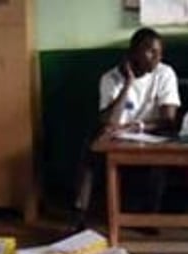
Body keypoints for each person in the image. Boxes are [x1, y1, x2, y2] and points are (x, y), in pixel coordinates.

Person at [72, 28, 181, 230]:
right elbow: (108, 122)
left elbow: (168, 119)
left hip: (151, 135)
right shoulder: (110, 78)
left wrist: (138, 125)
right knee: (91, 145)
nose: (157, 57)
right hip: (117, 137)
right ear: (133, 52)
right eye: (150, 51)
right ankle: (79, 215)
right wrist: (128, 84)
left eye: (159, 52)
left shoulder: (164, 74)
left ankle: (149, 218)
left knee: (162, 153)